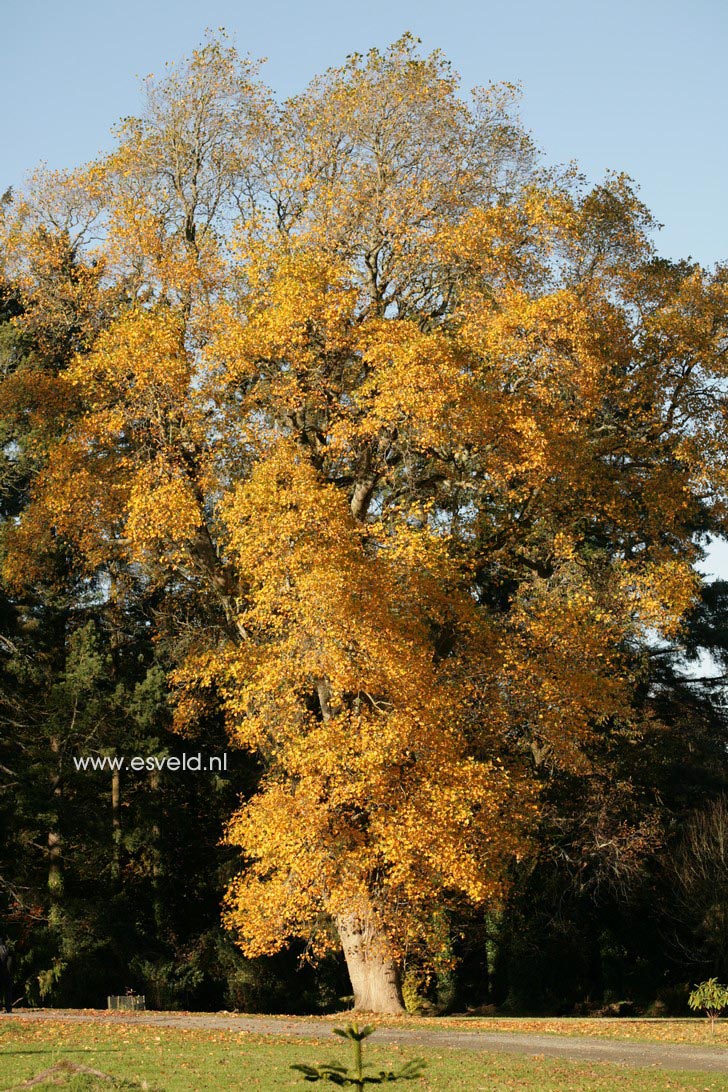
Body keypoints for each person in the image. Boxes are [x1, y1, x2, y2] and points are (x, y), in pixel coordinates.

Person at [0, 936, 13, 1013]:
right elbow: (10, 962)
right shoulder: (7, 949)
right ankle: (8, 1008)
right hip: (7, 973)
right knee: (8, 991)